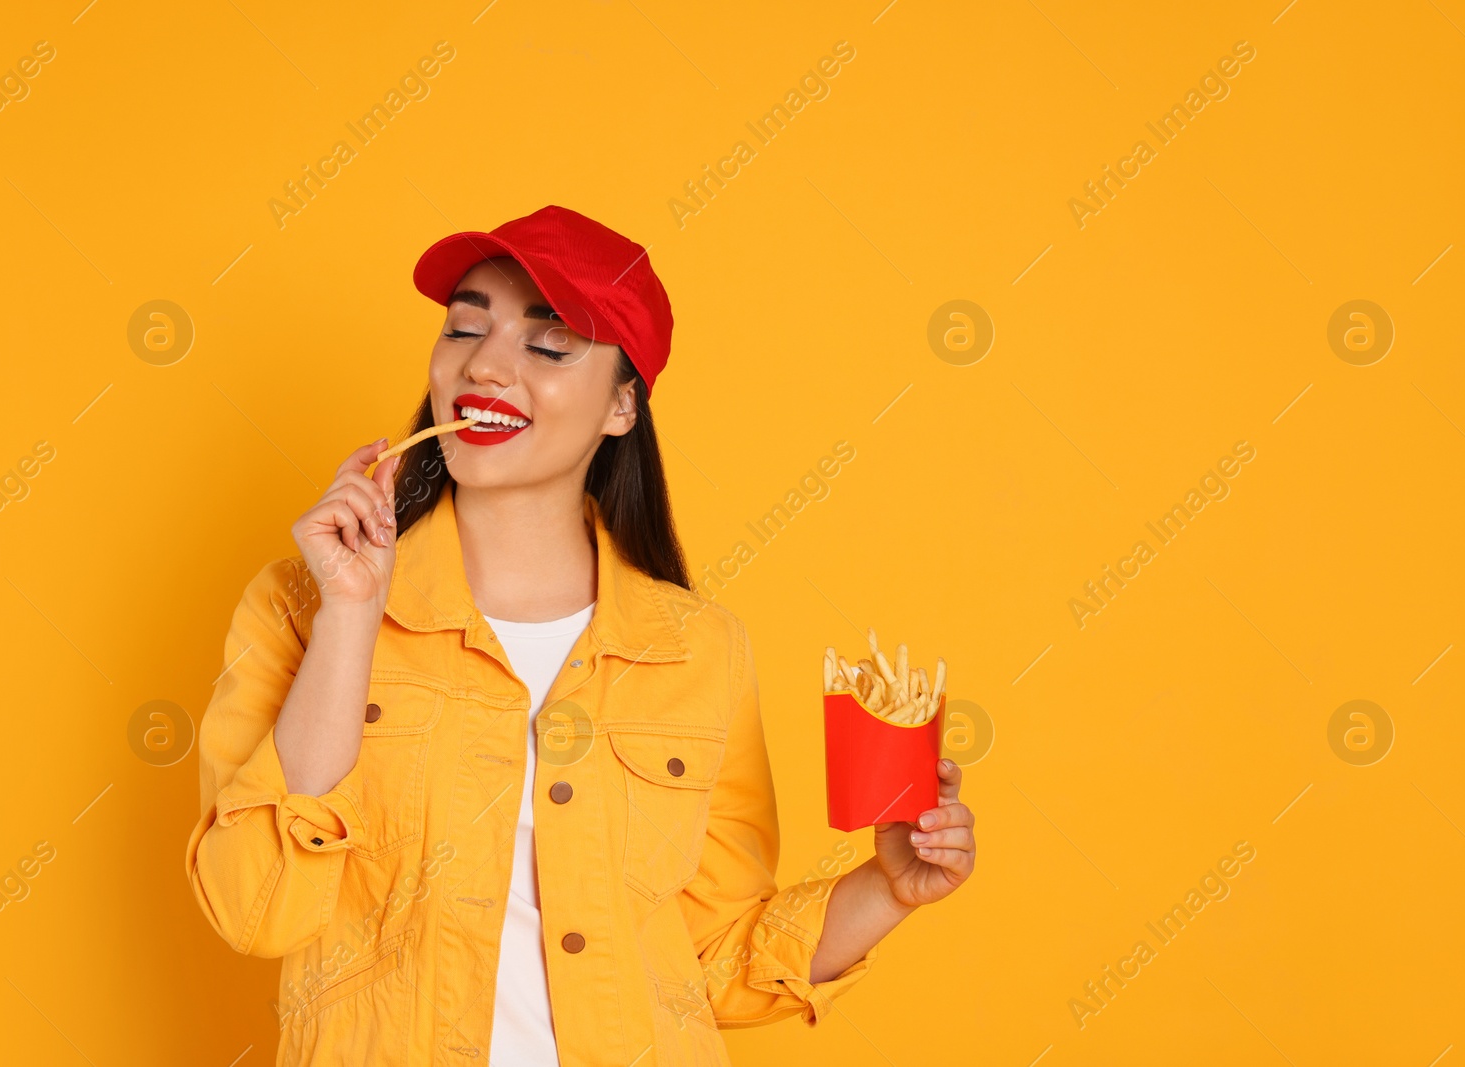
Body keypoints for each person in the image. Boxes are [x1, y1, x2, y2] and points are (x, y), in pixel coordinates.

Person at [184, 204, 977, 1065]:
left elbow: (710, 963)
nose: (485, 363)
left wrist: (888, 888)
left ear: (622, 407)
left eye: (549, 344)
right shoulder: (301, 607)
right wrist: (350, 615)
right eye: (463, 329)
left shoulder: (698, 649)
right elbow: (255, 907)